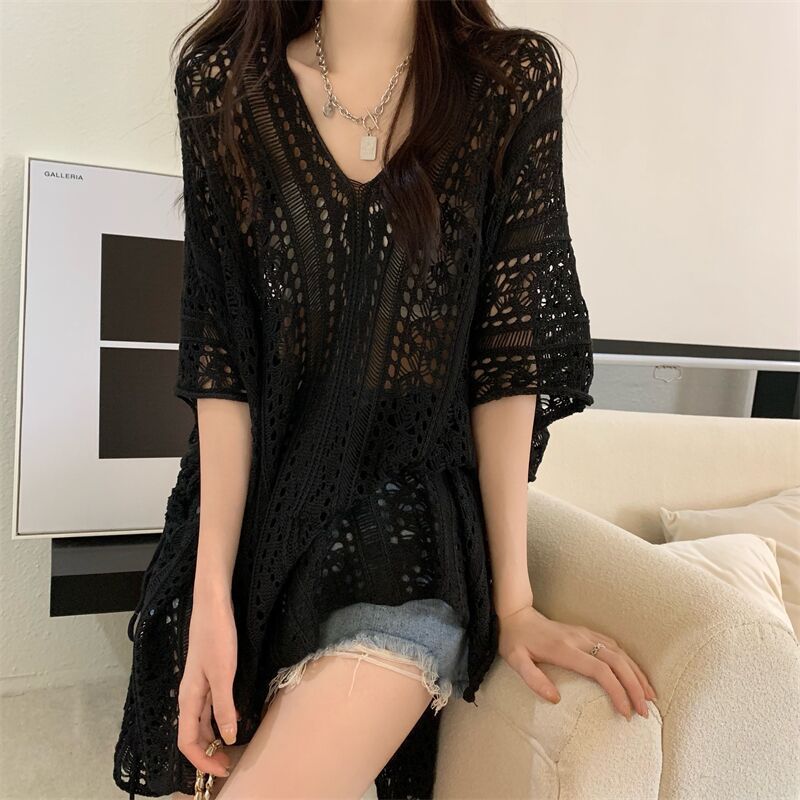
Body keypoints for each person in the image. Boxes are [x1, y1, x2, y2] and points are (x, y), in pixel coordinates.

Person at [113, 2, 656, 798]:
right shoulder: (223, 81)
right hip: (253, 523)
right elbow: (222, 362)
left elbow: (505, 364)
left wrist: (516, 602)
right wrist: (209, 600)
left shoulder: (508, 85)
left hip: (405, 530)